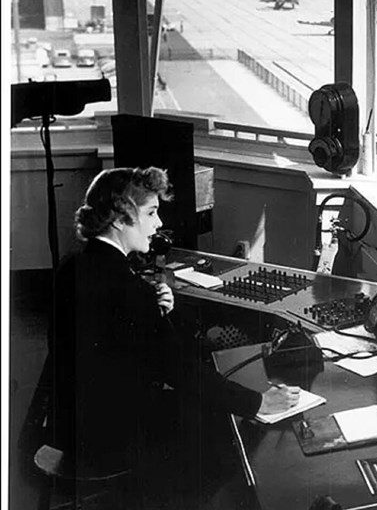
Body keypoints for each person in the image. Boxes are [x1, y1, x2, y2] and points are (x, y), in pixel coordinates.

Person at [49, 167, 300, 506]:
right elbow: (177, 369)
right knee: (217, 430)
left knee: (202, 408)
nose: (157, 224)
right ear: (121, 219)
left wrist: (158, 313)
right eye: (151, 213)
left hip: (71, 423)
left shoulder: (73, 265)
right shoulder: (128, 289)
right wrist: (257, 402)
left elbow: (120, 343)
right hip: (107, 436)